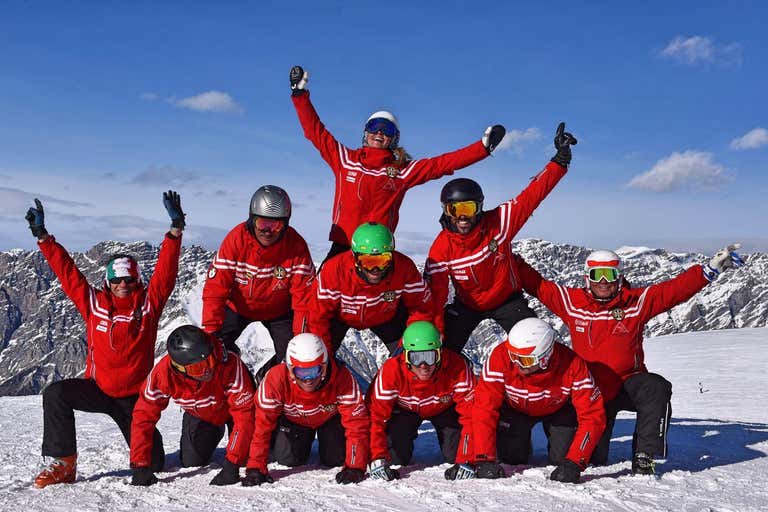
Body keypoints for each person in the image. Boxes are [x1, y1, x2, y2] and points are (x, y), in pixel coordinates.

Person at [513, 245, 745, 474]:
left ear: (620, 276)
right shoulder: (573, 303)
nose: (604, 281)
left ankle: (645, 455)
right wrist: (508, 258)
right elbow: (538, 285)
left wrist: (708, 270)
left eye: (610, 274)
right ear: (587, 277)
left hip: (627, 383)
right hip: (590, 391)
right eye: (597, 274)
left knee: (656, 387)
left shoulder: (636, 302)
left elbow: (674, 291)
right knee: (587, 459)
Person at [26, 191, 185, 488]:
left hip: (134, 399)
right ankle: (63, 463)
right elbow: (68, 273)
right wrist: (43, 237)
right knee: (55, 394)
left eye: (129, 279)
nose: (123, 284)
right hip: (98, 388)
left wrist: (175, 230)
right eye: (117, 280)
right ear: (108, 282)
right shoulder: (94, 304)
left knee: (154, 463)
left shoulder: (148, 306)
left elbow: (166, 273)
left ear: (137, 280)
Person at [289, 65, 506, 261]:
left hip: (380, 250)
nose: (379, 132)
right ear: (365, 133)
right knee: (320, 290)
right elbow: (315, 132)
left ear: (394, 139)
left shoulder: (402, 171)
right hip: (344, 245)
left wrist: (482, 148)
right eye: (374, 126)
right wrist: (299, 95)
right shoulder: (345, 160)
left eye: (387, 129)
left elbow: (443, 164)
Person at [424, 123, 577, 354]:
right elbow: (435, 297)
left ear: (479, 208)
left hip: (507, 301)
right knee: (441, 351)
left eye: (469, 208)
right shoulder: (441, 248)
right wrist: (435, 335)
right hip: (467, 306)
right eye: (454, 210)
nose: (462, 217)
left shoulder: (499, 223)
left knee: (536, 344)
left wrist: (560, 161)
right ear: (446, 211)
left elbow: (532, 195)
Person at [472, 318, 605, 483]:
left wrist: (575, 462)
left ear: (545, 356)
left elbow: (592, 415)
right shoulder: (500, 357)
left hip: (558, 410)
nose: (517, 363)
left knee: (563, 458)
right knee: (512, 458)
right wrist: (484, 458)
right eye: (513, 355)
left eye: (526, 359)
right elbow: (483, 408)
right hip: (515, 410)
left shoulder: (573, 365)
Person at [202, 185, 315, 380]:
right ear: (251, 219)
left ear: (285, 225)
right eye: (262, 224)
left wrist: (301, 338)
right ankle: (237, 371)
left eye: (276, 226)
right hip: (237, 307)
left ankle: (266, 376)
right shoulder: (236, 240)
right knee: (211, 350)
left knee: (293, 358)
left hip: (279, 311)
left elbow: (304, 299)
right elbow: (215, 288)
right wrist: (211, 331)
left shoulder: (296, 247)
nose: (268, 232)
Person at [129, 325, 255, 486]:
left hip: (233, 412)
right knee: (192, 462)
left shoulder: (228, 362)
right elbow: (143, 415)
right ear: (180, 368)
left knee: (245, 459)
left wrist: (232, 463)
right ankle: (215, 431)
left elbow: (245, 414)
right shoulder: (163, 374)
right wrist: (140, 464)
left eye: (210, 360)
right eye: (198, 368)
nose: (208, 370)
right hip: (202, 415)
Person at [242, 333, 370, 486]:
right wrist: (256, 467)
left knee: (335, 458)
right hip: (294, 421)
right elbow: (261, 426)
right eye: (301, 372)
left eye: (314, 371)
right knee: (288, 459)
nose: (308, 379)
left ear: (324, 367)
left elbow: (356, 423)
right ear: (290, 369)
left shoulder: (342, 378)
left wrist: (355, 466)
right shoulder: (275, 380)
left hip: (329, 420)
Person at [366, 321, 476, 482]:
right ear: (405, 355)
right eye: (416, 357)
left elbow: (472, 414)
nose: (423, 365)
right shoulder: (391, 370)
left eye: (430, 357)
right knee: (396, 458)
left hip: (444, 408)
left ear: (440, 353)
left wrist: (468, 458)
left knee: (455, 454)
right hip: (406, 410)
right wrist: (377, 457)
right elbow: (376, 416)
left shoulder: (457, 366)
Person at [308, 222, 434, 355]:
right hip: (340, 318)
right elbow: (317, 317)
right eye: (367, 262)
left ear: (392, 256)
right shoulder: (333, 271)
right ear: (355, 258)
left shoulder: (404, 268)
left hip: (386, 316)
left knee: (415, 353)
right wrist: (325, 357)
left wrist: (409, 344)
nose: (375, 269)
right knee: (316, 353)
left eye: (383, 261)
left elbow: (422, 308)